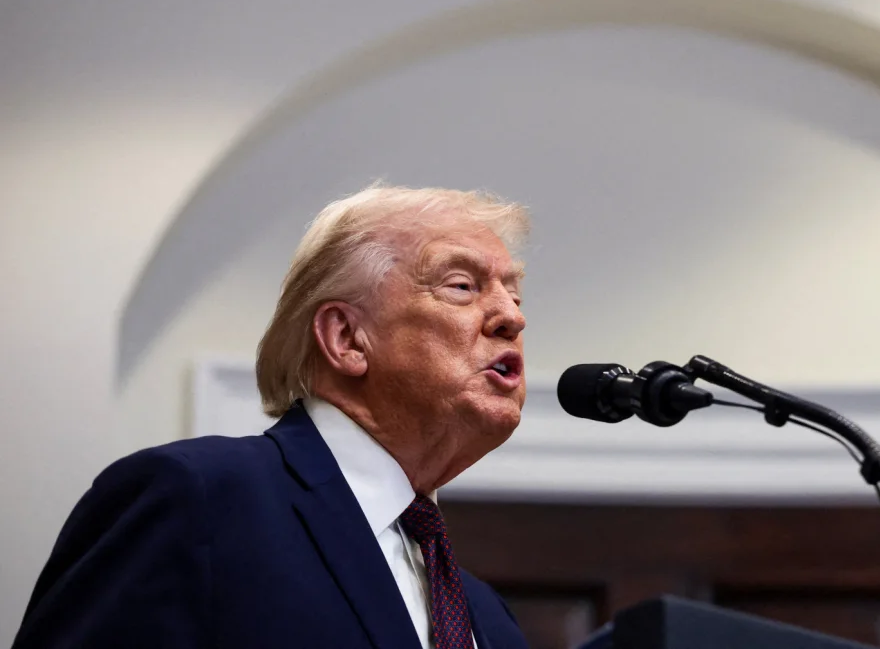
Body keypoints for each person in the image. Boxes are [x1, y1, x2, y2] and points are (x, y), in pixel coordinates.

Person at [15, 186, 532, 649]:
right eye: (462, 285)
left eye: (513, 293)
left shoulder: (486, 617)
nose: (512, 316)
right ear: (347, 339)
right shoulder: (197, 501)